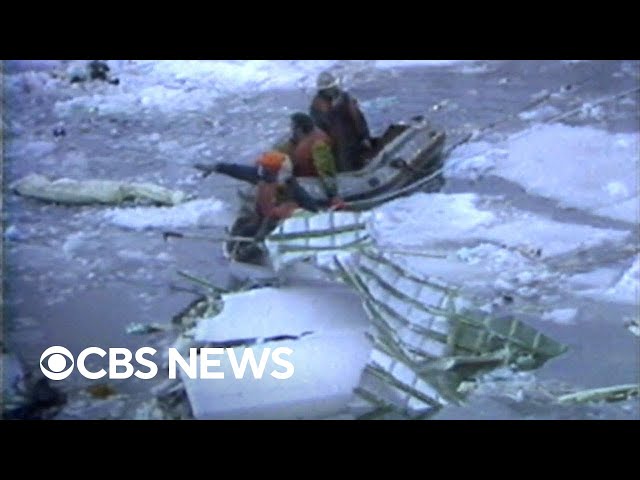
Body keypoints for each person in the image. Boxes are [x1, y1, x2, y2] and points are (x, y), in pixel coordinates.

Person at [274, 112, 344, 207]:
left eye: (293, 127)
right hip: (299, 176)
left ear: (299, 129)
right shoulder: (299, 140)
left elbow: (326, 170)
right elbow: (286, 150)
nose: (291, 130)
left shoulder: (318, 145)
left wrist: (333, 195)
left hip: (311, 181)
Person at [310, 71, 373, 172]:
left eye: (331, 87)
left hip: (352, 138)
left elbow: (358, 117)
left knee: (359, 160)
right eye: (327, 89)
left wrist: (365, 136)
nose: (330, 90)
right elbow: (319, 126)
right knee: (343, 166)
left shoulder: (345, 98)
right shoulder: (317, 106)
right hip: (335, 144)